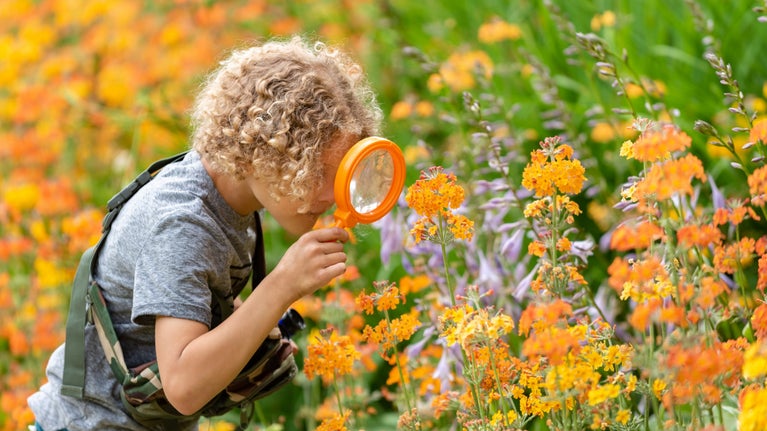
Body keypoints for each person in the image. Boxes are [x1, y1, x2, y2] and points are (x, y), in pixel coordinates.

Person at [28, 35, 383, 430]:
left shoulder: (229, 195)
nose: (333, 194)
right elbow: (183, 386)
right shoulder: (183, 225)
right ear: (262, 154)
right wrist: (281, 286)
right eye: (318, 173)